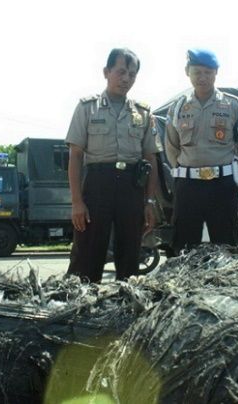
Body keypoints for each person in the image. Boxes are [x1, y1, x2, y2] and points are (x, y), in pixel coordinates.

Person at [66, 48, 162, 283]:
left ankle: (125, 309)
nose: (126, 78)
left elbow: (151, 159)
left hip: (132, 186)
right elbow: (76, 155)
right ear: (106, 72)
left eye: (132, 74)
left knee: (130, 251)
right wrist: (77, 202)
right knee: (88, 251)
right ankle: (81, 306)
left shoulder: (143, 112)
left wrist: (150, 201)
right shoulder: (87, 108)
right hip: (98, 184)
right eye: (120, 72)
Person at [165, 48, 238, 254]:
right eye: (197, 72)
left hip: (222, 186)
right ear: (187, 72)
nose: (202, 77)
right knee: (184, 247)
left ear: (216, 73)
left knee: (227, 245)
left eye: (208, 72)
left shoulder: (234, 104)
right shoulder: (177, 108)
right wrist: (182, 170)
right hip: (188, 186)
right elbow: (171, 145)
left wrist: (234, 174)